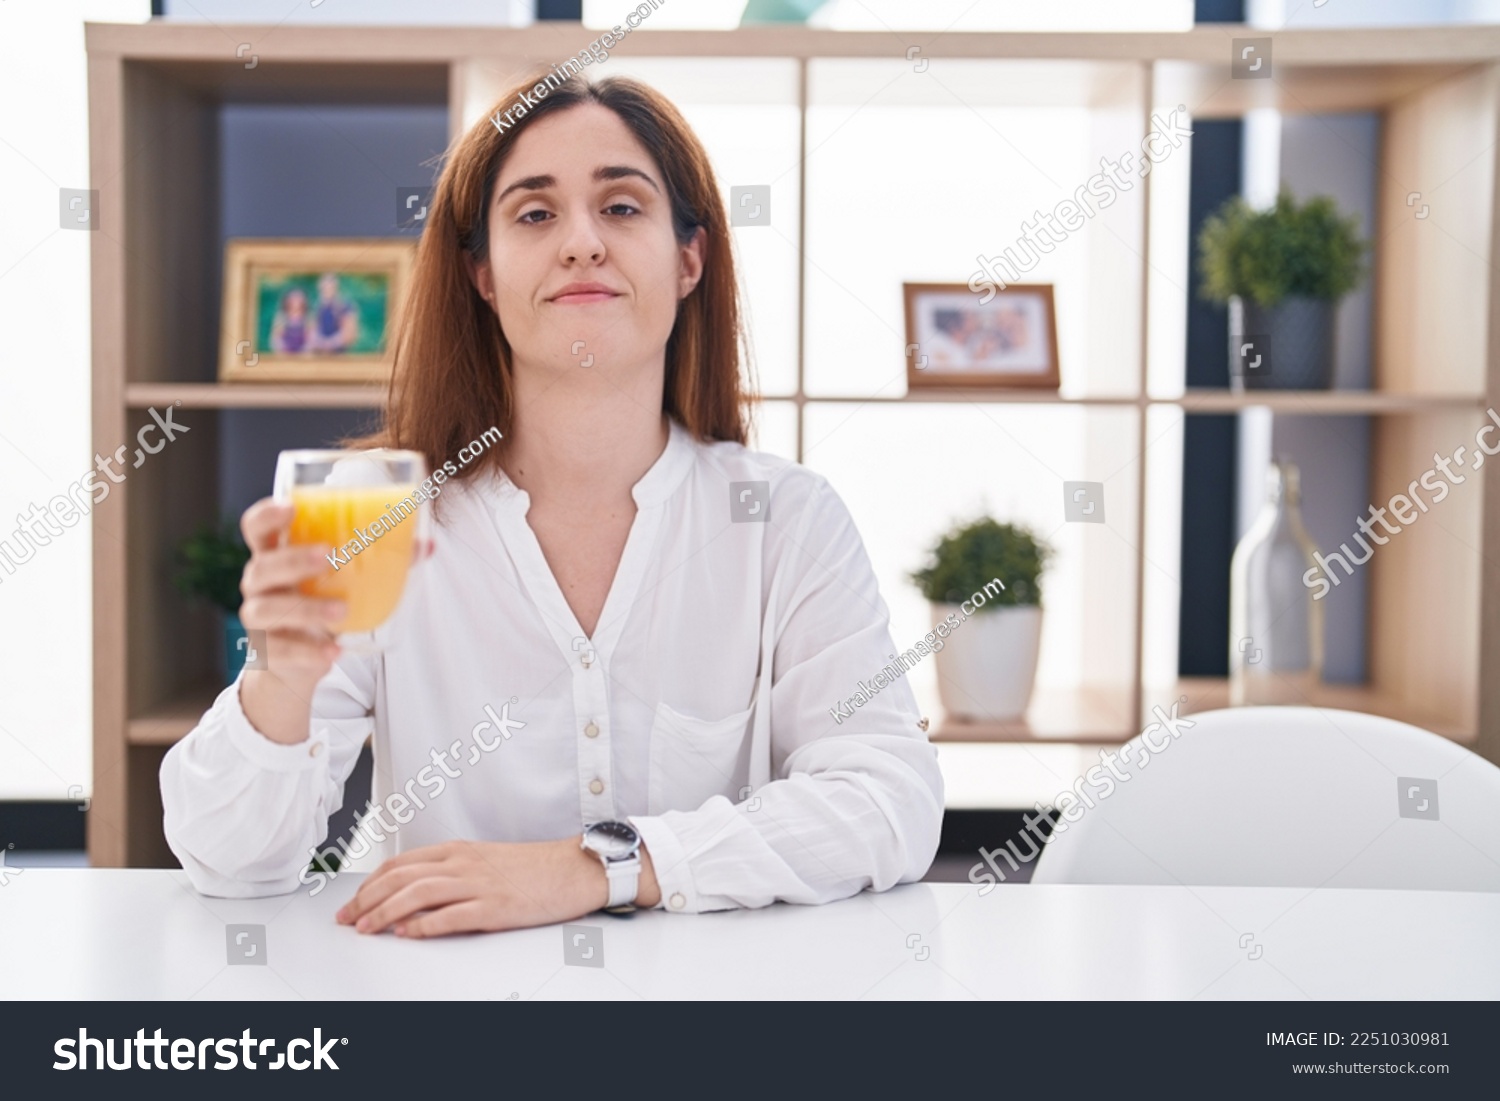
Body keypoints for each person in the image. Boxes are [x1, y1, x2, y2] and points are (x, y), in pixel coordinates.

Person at [159, 71, 943, 938]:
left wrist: (594, 867)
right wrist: (282, 680)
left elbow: (888, 800)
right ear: (484, 275)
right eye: (534, 214)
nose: (580, 243)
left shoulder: (787, 520)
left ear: (690, 259)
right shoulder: (377, 514)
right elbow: (229, 866)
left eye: (621, 207)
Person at [309, 272, 360, 353]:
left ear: (336, 287)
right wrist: (319, 342)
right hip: (319, 355)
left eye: (330, 285)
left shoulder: (346, 306)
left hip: (340, 356)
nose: (327, 288)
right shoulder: (317, 307)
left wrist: (329, 343)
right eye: (324, 286)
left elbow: (350, 335)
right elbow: (311, 332)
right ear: (320, 287)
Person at [268, 286, 310, 354]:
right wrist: (283, 350)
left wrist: (303, 352)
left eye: (299, 298)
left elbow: (310, 340)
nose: (296, 301)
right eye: (294, 298)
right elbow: (275, 340)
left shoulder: (308, 317)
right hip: (284, 355)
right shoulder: (281, 317)